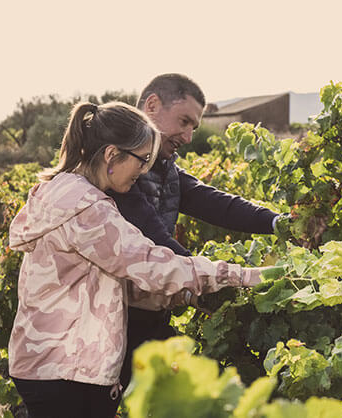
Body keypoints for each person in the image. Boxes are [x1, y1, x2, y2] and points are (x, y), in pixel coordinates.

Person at [8, 101, 266, 418]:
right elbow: (149, 262)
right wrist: (246, 276)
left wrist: (180, 295)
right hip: (63, 370)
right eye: (142, 160)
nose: (144, 171)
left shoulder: (68, 194)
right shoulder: (87, 208)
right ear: (111, 154)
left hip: (54, 363)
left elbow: (105, 281)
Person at [106, 74, 282, 391]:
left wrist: (277, 223)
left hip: (149, 312)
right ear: (152, 105)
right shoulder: (114, 172)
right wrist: (210, 280)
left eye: (194, 128)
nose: (188, 137)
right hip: (111, 321)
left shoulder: (165, 169)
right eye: (184, 121)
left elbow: (215, 203)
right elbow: (154, 237)